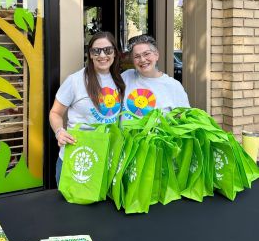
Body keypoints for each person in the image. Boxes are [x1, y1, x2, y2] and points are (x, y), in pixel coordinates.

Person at [49, 31, 125, 185]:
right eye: (96, 51)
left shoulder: (120, 80)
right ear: (90, 54)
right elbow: (55, 113)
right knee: (72, 208)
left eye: (108, 50)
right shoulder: (75, 81)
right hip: (77, 156)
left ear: (115, 53)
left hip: (108, 157)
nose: (102, 55)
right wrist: (59, 132)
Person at [121, 34, 190, 119]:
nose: (142, 59)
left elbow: (184, 120)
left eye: (146, 54)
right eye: (137, 56)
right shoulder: (126, 77)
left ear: (156, 55)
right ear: (132, 60)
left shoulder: (173, 86)